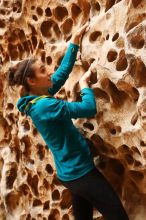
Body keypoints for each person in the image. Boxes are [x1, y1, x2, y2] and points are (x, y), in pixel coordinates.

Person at [7, 22, 129, 220]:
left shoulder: (38, 99)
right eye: (43, 70)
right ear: (31, 81)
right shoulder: (45, 106)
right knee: (119, 216)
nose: (48, 72)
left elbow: (61, 75)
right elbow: (88, 108)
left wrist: (74, 42)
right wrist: (84, 85)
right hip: (82, 174)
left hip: (69, 175)